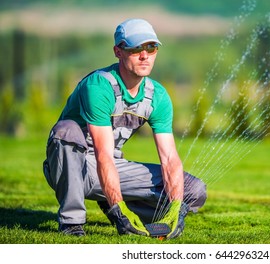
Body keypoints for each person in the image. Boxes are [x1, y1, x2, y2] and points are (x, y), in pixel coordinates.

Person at [42, 18, 207, 238]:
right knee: (66, 131)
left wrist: (176, 205)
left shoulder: (157, 96)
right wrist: (118, 208)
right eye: (135, 48)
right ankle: (72, 223)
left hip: (113, 167)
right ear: (118, 51)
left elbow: (169, 159)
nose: (144, 55)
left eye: (151, 47)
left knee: (192, 190)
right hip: (72, 168)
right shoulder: (99, 86)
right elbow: (103, 155)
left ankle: (132, 211)